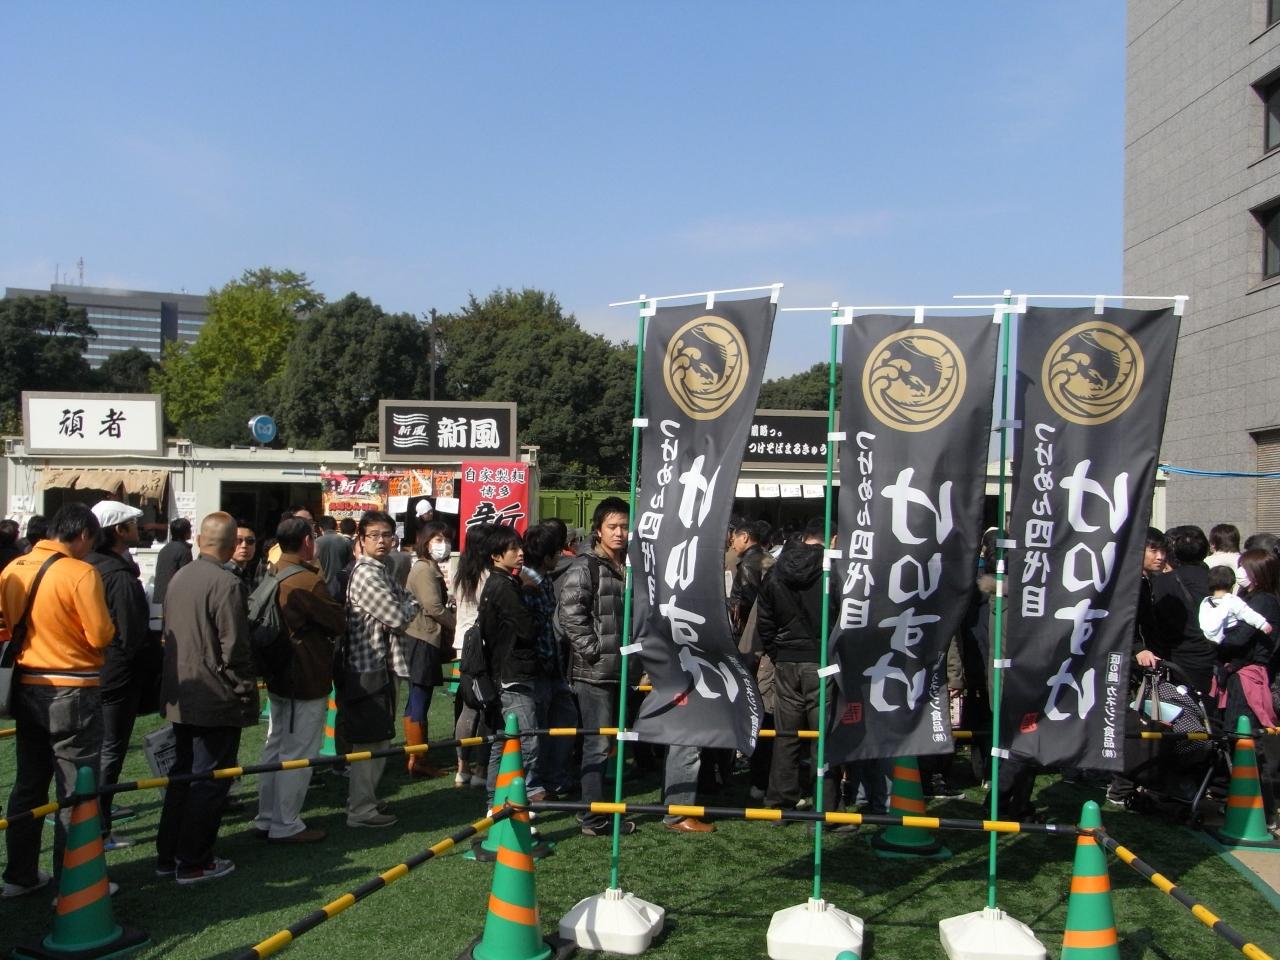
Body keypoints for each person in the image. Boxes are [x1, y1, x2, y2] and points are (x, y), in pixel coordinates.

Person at [1, 504, 113, 899]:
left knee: (28, 785)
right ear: (82, 535)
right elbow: (100, 634)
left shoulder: (13, 568)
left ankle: (19, 875)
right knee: (77, 788)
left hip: (25, 684)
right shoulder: (80, 572)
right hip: (73, 686)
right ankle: (74, 883)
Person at [155, 512, 259, 884]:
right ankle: (194, 860)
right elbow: (235, 649)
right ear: (231, 546)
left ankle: (169, 854)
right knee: (209, 780)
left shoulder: (180, 576)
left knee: (183, 777)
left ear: (199, 540)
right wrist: (244, 691)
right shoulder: (227, 583)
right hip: (214, 694)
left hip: (180, 691)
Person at [253, 517, 345, 843]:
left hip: (278, 673)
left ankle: (267, 817)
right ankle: (286, 824)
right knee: (299, 753)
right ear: (307, 541)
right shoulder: (306, 580)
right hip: (304, 674)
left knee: (275, 746)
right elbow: (336, 620)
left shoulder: (274, 571)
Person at [558, 497, 638, 836]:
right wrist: (594, 650)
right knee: (598, 744)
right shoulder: (584, 566)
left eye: (624, 526)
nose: (619, 533)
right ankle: (592, 817)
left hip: (624, 667)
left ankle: (598, 810)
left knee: (613, 743)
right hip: (594, 672)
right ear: (598, 530)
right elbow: (570, 615)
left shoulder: (630, 564)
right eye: (612, 526)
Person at [340, 510, 420, 828]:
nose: (382, 541)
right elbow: (398, 616)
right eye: (374, 535)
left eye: (387, 534)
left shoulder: (381, 569)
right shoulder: (367, 574)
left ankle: (365, 801)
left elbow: (408, 600)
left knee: (379, 738)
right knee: (370, 740)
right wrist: (408, 607)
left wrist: (407, 605)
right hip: (368, 666)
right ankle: (361, 810)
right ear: (361, 539)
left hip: (380, 665)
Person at [87, 500, 155, 849]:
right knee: (109, 751)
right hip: (116, 674)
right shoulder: (117, 576)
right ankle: (99, 827)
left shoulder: (86, 567)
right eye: (132, 524)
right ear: (118, 530)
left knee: (92, 751)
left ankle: (93, 817)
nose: (138, 529)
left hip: (89, 672)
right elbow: (132, 634)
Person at [758, 519, 825, 812]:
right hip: (821, 661)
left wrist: (778, 653)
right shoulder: (830, 572)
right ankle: (826, 802)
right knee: (823, 736)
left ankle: (779, 800)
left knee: (786, 736)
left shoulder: (775, 573)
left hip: (786, 660)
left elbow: (765, 623)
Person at [1215, 548, 1280, 834]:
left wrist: (1216, 636)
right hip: (1240, 674)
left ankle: (1262, 810)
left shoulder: (1263, 601)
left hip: (1248, 676)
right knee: (1240, 740)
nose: (1239, 572)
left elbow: (1240, 637)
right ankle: (1246, 804)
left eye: (1246, 567)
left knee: (1246, 740)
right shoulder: (1250, 598)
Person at [478, 525, 544, 804]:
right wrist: (530, 594)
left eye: (520, 547)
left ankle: (495, 801)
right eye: (513, 549)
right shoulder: (505, 587)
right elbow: (527, 629)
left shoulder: (500, 583)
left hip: (502, 672)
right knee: (526, 741)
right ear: (496, 556)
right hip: (512, 673)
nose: (520, 553)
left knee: (503, 741)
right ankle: (510, 802)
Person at [522, 522, 577, 797]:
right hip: (537, 667)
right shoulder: (527, 583)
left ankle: (555, 777)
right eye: (557, 552)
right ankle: (534, 784)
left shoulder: (541, 580)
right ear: (546, 556)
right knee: (537, 729)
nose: (560, 556)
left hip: (552, 663)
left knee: (565, 719)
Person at [401, 520, 454, 777]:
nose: (444, 544)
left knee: (418, 697)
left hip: (422, 638)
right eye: (438, 539)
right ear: (425, 542)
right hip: (422, 638)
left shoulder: (428, 567)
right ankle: (417, 759)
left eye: (446, 539)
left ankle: (417, 756)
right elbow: (433, 607)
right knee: (419, 698)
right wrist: (456, 625)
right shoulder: (423, 569)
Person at [1150, 525, 1216, 696]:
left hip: (1178, 659)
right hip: (1213, 656)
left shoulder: (1162, 582)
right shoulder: (1216, 579)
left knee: (1181, 706)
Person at [453, 525, 494, 788]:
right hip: (482, 646)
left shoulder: (460, 572)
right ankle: (481, 768)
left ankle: (461, 768)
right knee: (487, 706)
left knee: (468, 706)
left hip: (462, 646)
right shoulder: (487, 575)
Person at [1200, 565, 1274, 644]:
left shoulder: (1206, 603)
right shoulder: (1232, 600)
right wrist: (1262, 624)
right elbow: (1247, 613)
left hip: (1212, 639)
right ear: (1232, 585)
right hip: (1231, 633)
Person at [152, 517, 193, 604]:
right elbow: (186, 576)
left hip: (163, 596)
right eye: (189, 529)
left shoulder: (165, 549)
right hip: (176, 597)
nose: (191, 531)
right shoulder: (183, 550)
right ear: (185, 532)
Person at [314, 515, 353, 603]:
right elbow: (350, 563)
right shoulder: (346, 542)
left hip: (323, 587)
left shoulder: (316, 543)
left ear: (320, 528)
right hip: (342, 586)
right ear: (336, 527)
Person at [225, 519, 259, 600]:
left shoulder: (247, 572)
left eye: (250, 541)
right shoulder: (223, 574)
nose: (244, 545)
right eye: (238, 540)